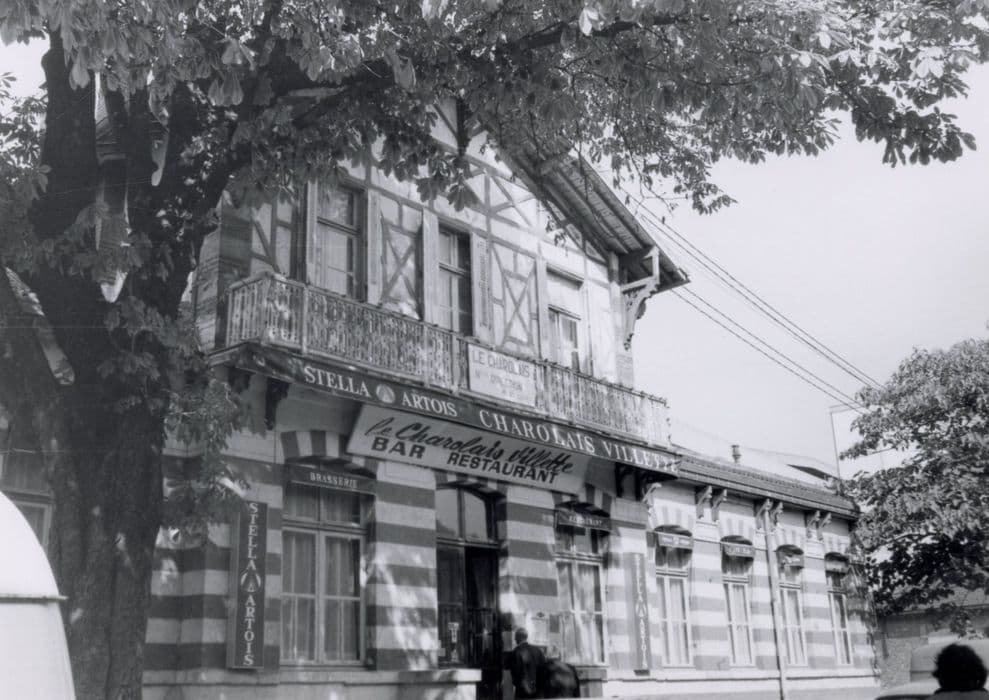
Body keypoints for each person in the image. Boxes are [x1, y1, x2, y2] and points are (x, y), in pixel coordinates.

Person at [507, 627, 545, 699]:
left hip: (522, 692)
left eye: (515, 637)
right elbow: (544, 669)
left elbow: (515, 673)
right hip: (537, 691)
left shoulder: (516, 652)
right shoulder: (538, 651)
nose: (515, 639)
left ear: (518, 638)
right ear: (526, 637)